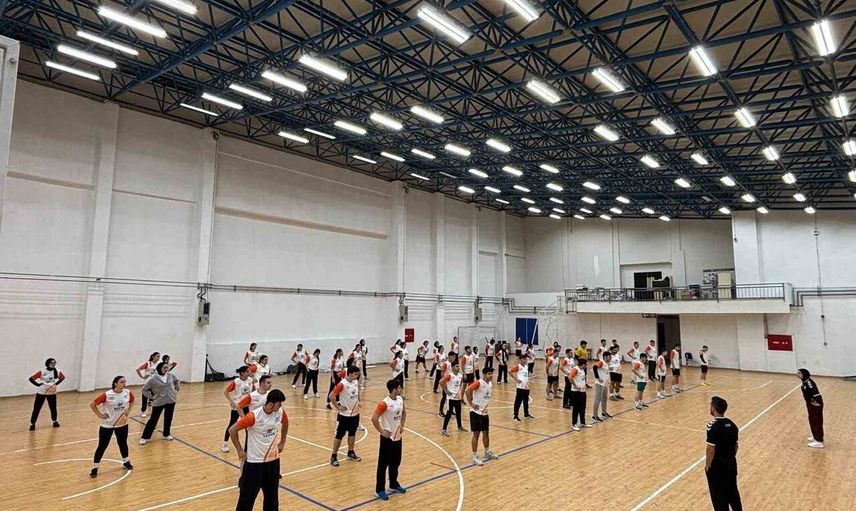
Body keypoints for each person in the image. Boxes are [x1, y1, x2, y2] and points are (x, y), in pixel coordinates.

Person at [230, 390, 289, 511]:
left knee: (272, 501)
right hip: (254, 464)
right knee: (246, 501)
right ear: (271, 404)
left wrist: (282, 442)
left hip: (273, 463)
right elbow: (232, 430)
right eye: (279, 404)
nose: (281, 406)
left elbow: (286, 423)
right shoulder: (254, 416)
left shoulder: (280, 412)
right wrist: (240, 450)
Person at [89, 376, 134, 477]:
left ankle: (126, 462)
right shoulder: (107, 395)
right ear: (115, 384)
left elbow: (132, 400)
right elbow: (92, 404)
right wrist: (100, 415)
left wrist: (129, 410)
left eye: (125, 381)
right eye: (121, 382)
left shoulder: (127, 392)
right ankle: (95, 467)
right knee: (102, 446)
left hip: (122, 424)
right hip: (107, 425)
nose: (124, 383)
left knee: (123, 443)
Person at [705, 396, 742, 511]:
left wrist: (708, 466)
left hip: (717, 469)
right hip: (731, 465)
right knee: (733, 494)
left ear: (713, 408)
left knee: (719, 499)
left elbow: (710, 449)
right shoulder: (732, 425)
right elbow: (736, 446)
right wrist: (729, 458)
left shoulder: (712, 426)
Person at [372, 379, 407, 501]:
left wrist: (402, 425)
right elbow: (374, 418)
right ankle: (379, 490)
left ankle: (393, 484)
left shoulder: (400, 399)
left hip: (398, 437)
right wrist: (382, 431)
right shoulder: (384, 403)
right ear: (394, 389)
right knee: (383, 464)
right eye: (399, 387)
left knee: (396, 462)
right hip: (387, 438)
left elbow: (404, 413)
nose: (401, 389)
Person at [329, 366, 363, 466]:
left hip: (355, 414)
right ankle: (334, 456)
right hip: (344, 415)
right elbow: (331, 396)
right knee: (339, 435)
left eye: (358, 374)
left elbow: (357, 392)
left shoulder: (355, 382)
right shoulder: (342, 384)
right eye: (355, 374)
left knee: (352, 434)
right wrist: (338, 407)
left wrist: (359, 401)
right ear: (350, 374)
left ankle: (350, 452)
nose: (357, 376)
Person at [140, 361, 180, 444]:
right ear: (159, 368)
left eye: (167, 367)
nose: (166, 369)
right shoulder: (153, 379)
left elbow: (177, 381)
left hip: (170, 400)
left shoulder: (170, 375)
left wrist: (176, 389)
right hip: (158, 401)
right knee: (153, 419)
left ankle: (166, 434)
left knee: (168, 418)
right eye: (164, 368)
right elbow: (144, 389)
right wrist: (152, 397)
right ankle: (145, 437)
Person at [465, 366, 498, 466]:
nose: (491, 375)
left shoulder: (490, 384)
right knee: (476, 434)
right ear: (484, 374)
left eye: (491, 373)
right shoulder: (479, 383)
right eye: (489, 374)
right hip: (475, 412)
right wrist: (472, 404)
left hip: (484, 412)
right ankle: (475, 457)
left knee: (486, 433)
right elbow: (468, 390)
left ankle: (487, 452)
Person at [222, 366, 256, 453]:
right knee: (232, 424)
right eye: (247, 371)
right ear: (242, 373)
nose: (249, 372)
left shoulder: (250, 380)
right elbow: (226, 391)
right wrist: (232, 402)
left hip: (247, 406)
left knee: (248, 426)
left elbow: (254, 391)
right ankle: (225, 444)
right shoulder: (236, 381)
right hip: (237, 406)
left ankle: (248, 447)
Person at [28, 358, 65, 430]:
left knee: (53, 408)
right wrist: (38, 384)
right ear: (48, 363)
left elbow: (62, 378)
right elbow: (31, 379)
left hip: (52, 393)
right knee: (37, 408)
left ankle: (54, 421)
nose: (53, 364)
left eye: (54, 363)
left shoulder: (57, 371)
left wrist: (55, 384)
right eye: (52, 363)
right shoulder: (42, 371)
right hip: (41, 392)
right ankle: (32, 423)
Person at [798, 368, 825, 448]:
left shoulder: (809, 383)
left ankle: (819, 441)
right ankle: (815, 436)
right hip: (810, 402)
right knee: (812, 419)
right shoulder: (804, 382)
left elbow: (814, 392)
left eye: (799, 373)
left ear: (804, 374)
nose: (797, 375)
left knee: (816, 421)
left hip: (815, 402)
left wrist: (814, 402)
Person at [440, 361, 467, 436]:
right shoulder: (450, 375)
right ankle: (444, 430)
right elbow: (441, 382)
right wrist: (445, 390)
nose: (458, 368)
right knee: (449, 413)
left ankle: (459, 426)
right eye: (456, 366)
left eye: (458, 366)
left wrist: (460, 395)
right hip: (451, 398)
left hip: (458, 398)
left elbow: (460, 385)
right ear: (452, 367)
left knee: (458, 412)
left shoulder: (460, 376)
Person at [136, 351, 160, 417]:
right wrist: (142, 377)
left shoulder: (159, 364)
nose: (158, 358)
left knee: (156, 397)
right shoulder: (148, 363)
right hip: (147, 383)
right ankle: (143, 411)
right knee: (145, 397)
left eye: (159, 356)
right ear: (153, 356)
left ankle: (154, 410)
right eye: (157, 356)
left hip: (155, 383)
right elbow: (138, 369)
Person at [510, 354, 534, 421]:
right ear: (520, 360)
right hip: (520, 387)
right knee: (518, 402)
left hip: (526, 387)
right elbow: (510, 371)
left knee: (526, 402)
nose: (525, 360)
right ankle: (515, 416)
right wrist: (516, 379)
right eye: (523, 359)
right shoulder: (518, 366)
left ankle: (526, 414)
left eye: (525, 359)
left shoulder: (526, 367)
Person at [569, 358, 591, 431]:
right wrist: (575, 386)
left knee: (582, 408)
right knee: (576, 408)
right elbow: (570, 377)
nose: (586, 366)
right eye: (586, 364)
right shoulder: (576, 369)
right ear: (583, 364)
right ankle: (574, 424)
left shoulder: (582, 370)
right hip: (576, 392)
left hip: (583, 391)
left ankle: (583, 422)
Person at [591, 352, 611, 421]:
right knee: (597, 399)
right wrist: (597, 377)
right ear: (605, 357)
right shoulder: (601, 362)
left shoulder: (606, 364)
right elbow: (594, 367)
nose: (610, 358)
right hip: (599, 384)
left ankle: (604, 412)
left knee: (604, 399)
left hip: (605, 384)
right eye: (609, 357)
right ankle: (595, 415)